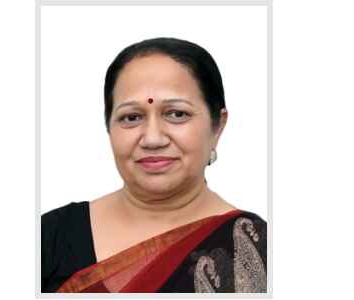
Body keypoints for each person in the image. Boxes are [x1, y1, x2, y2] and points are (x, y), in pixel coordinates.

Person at [41, 37, 267, 293]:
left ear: (218, 126)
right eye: (131, 117)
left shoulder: (257, 246)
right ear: (108, 128)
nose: (152, 138)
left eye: (177, 114)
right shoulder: (48, 238)